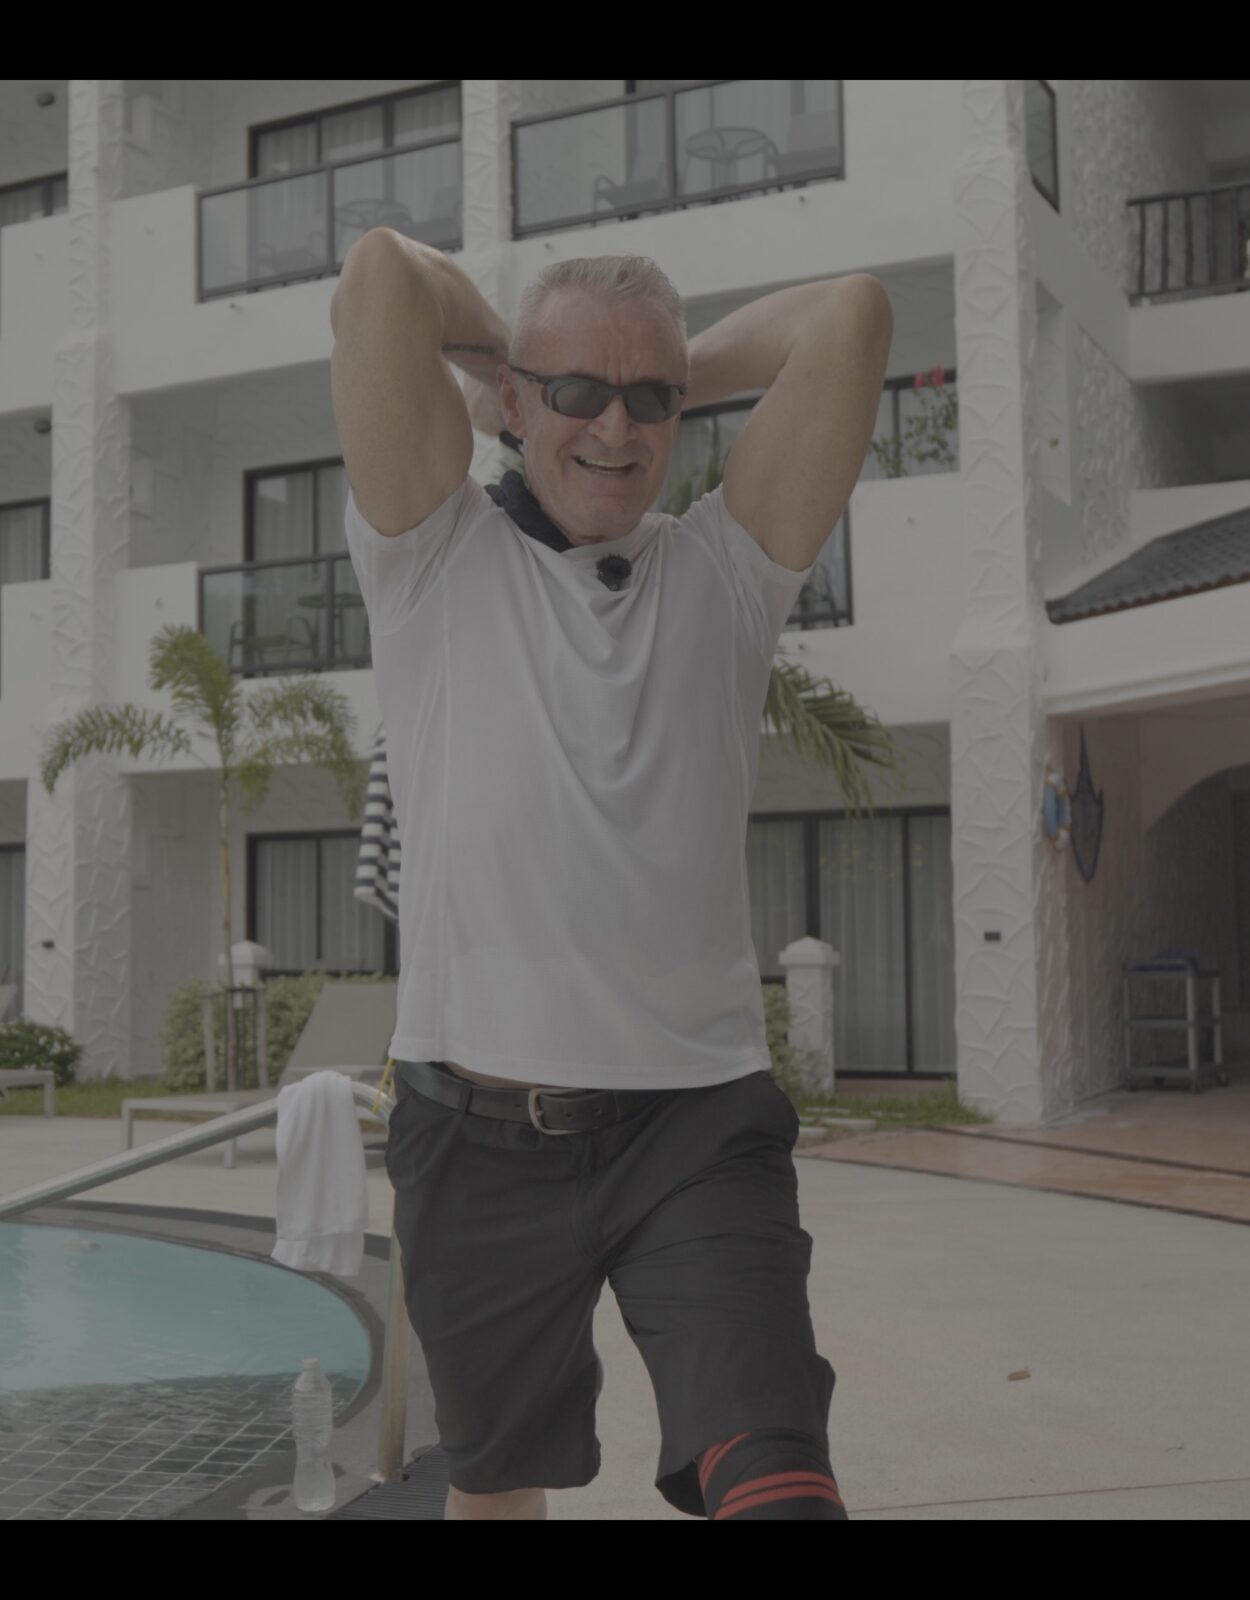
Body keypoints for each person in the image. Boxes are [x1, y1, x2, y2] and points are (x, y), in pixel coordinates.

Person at [329, 229, 889, 1521]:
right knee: (498, 1491)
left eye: (651, 399)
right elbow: (381, 282)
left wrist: (620, 371)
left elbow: (851, 314)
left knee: (780, 1483)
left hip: (694, 1130)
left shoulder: (729, 570)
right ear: (515, 403)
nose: (617, 427)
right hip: (470, 1128)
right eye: (578, 391)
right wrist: (508, 362)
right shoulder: (433, 553)